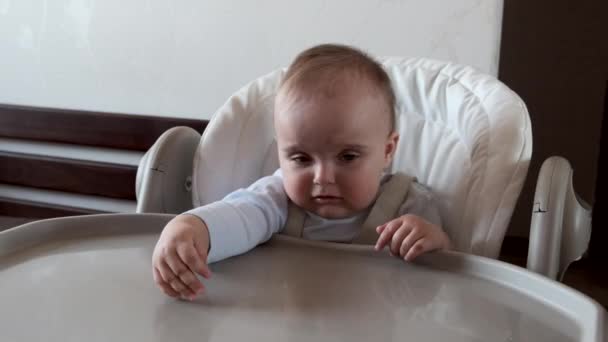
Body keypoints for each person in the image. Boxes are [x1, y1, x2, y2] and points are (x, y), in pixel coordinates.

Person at [152, 44, 452, 300]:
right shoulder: (279, 198)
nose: (322, 177)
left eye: (347, 156)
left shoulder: (408, 204)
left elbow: (449, 282)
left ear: (387, 151)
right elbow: (240, 214)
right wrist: (194, 228)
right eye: (301, 158)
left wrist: (433, 241)